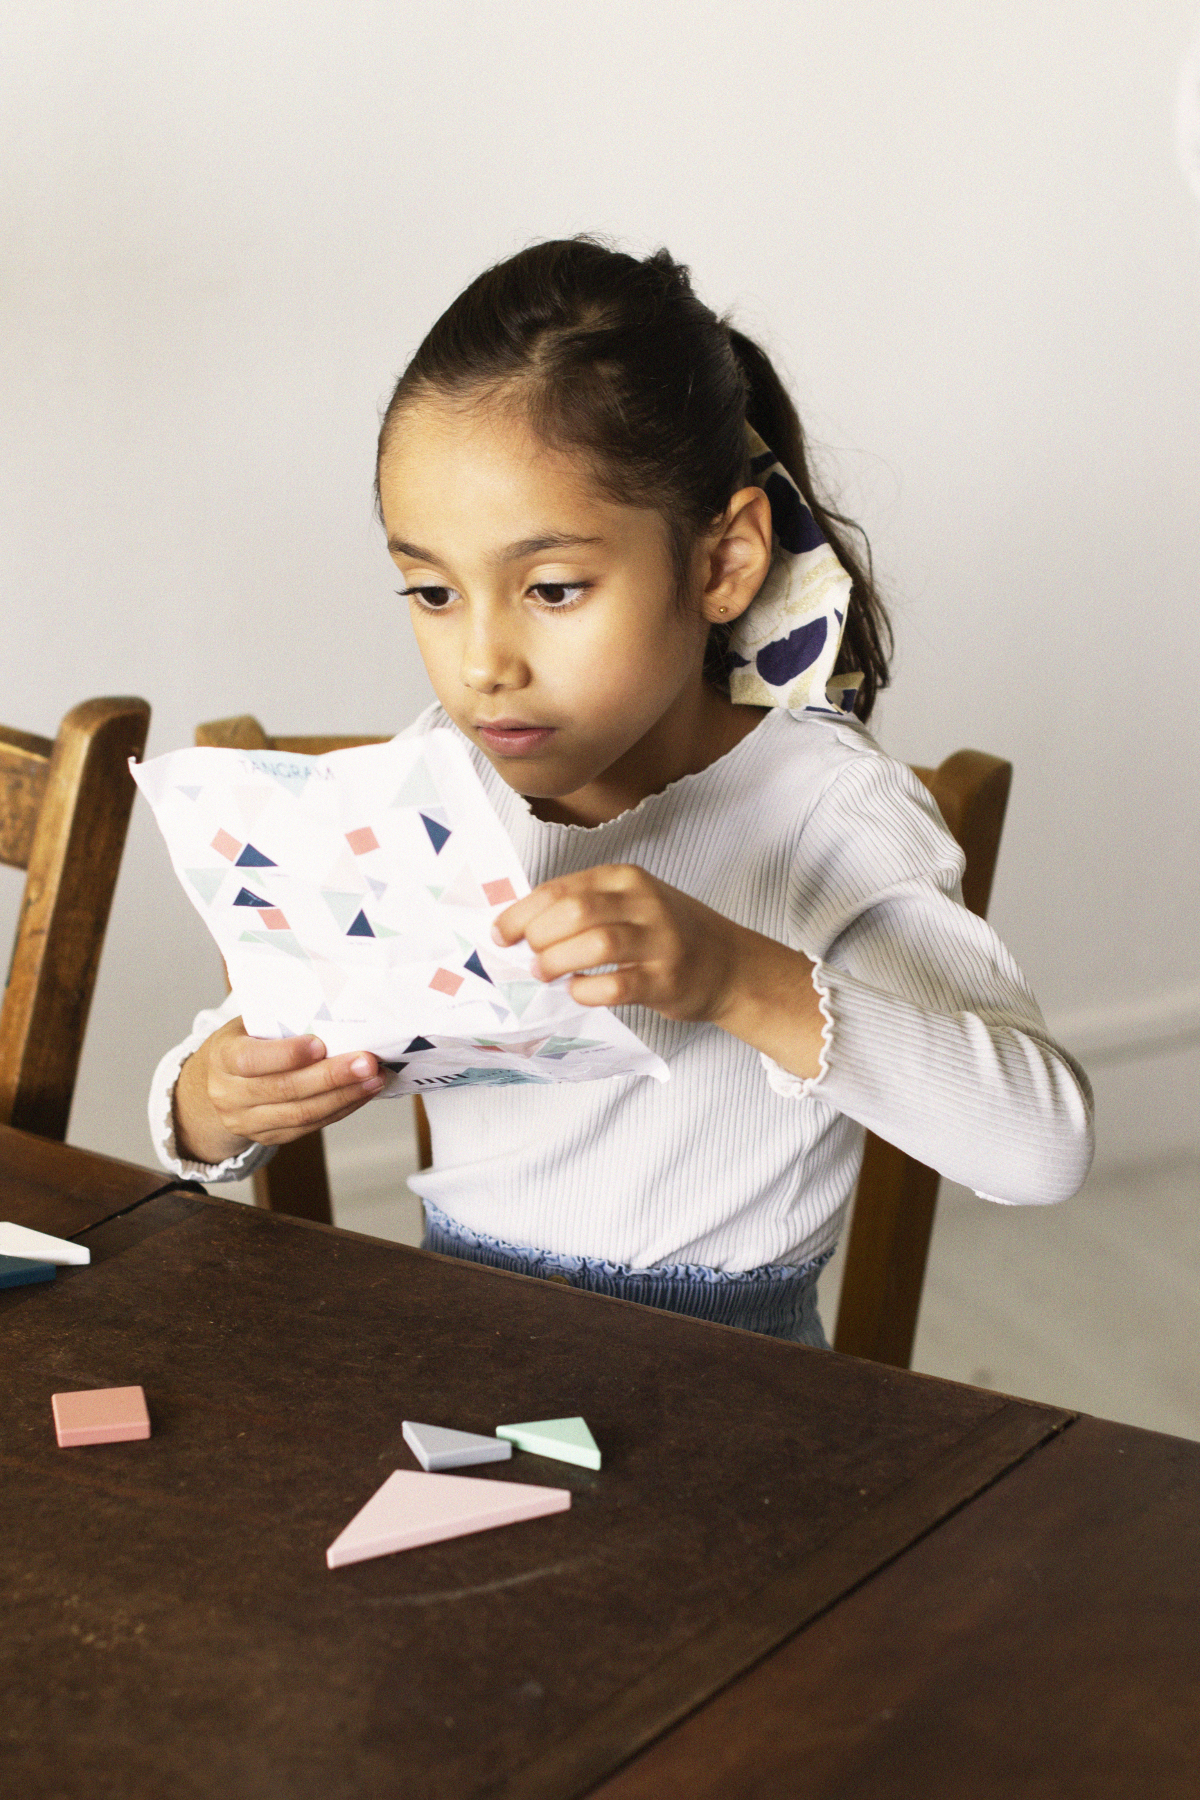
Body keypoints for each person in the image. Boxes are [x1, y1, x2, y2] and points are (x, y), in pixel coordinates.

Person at [152, 238, 1093, 1348]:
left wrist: (738, 976)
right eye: (430, 591)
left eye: (552, 588)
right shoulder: (435, 784)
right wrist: (213, 1102)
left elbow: (1043, 1150)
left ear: (722, 563)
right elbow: (233, 1053)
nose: (482, 662)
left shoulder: (827, 813)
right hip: (449, 1344)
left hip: (731, 1390)